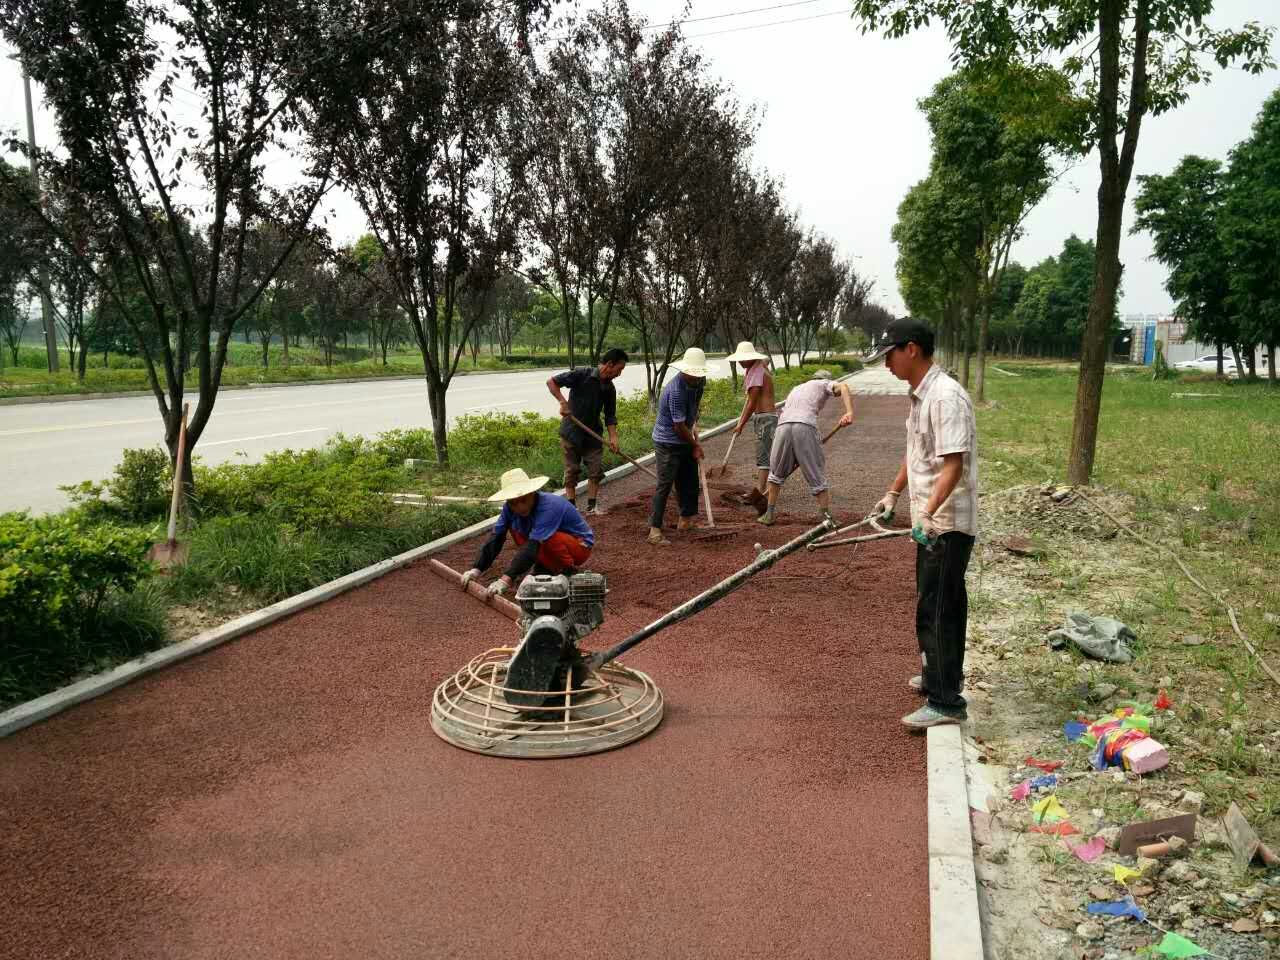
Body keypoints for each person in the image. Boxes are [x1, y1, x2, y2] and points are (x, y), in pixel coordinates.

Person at [866, 317, 979, 730]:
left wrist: (929, 513)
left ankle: (947, 701)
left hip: (945, 524)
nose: (886, 364)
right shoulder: (920, 396)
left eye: (889, 355)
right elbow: (916, 456)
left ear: (911, 349)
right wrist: (892, 494)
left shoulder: (946, 397)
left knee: (940, 609)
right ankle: (938, 676)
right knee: (931, 603)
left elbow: (953, 464)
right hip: (930, 520)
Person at [460, 468, 595, 597]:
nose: (520, 507)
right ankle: (545, 566)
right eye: (513, 502)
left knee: (549, 537)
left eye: (523, 500)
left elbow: (533, 544)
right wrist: (476, 569)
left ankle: (567, 570)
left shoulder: (549, 506)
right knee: (514, 529)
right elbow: (496, 538)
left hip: (580, 546)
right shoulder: (508, 509)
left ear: (532, 493)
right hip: (549, 543)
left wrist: (505, 580)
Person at [756, 370, 854, 527]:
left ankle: (769, 514)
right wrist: (849, 411)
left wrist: (797, 453)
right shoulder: (823, 384)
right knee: (816, 471)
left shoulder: (797, 388)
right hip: (805, 426)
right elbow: (843, 386)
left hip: (783, 426)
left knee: (776, 472)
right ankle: (826, 517)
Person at [647, 346, 718, 546]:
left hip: (685, 434)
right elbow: (677, 427)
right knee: (665, 484)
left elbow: (694, 405)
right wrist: (695, 445)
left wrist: (694, 422)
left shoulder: (700, 381)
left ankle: (685, 521)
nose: (696, 377)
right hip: (668, 441)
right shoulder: (675, 390)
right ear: (684, 370)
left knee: (690, 481)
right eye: (693, 373)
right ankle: (654, 531)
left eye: (699, 373)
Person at [546, 348, 628, 515]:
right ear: (610, 364)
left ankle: (591, 506)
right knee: (572, 470)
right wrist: (563, 402)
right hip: (571, 431)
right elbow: (551, 382)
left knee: (595, 470)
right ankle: (571, 507)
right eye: (619, 369)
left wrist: (613, 438)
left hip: (593, 434)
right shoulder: (581, 374)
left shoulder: (609, 389)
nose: (619, 374)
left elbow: (610, 416)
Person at [726, 340, 776, 500]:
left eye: (742, 359)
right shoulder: (757, 368)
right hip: (764, 418)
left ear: (751, 358)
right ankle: (764, 489)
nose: (740, 362)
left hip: (766, 418)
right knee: (765, 454)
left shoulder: (757, 373)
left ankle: (760, 492)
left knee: (763, 456)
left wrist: (741, 424)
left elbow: (752, 402)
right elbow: (750, 401)